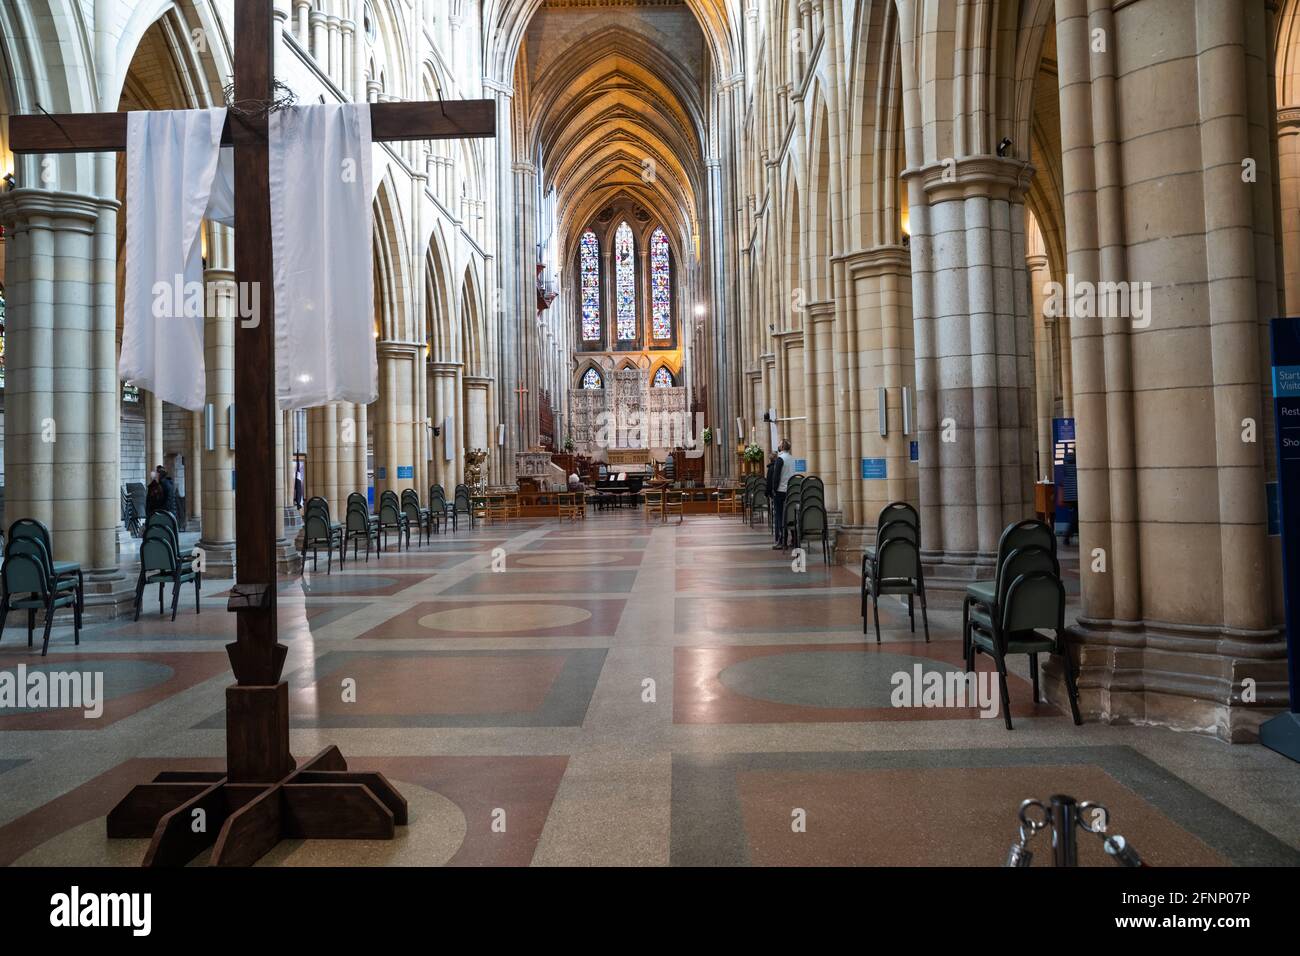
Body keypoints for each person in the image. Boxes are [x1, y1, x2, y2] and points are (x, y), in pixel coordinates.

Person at [768, 439, 795, 550]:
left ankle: (782, 540)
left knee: (780, 516)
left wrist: (774, 490)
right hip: (791, 491)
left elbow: (776, 476)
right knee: (791, 516)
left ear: (782, 447)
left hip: (780, 491)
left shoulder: (780, 459)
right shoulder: (792, 458)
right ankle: (794, 539)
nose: (778, 446)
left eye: (779, 444)